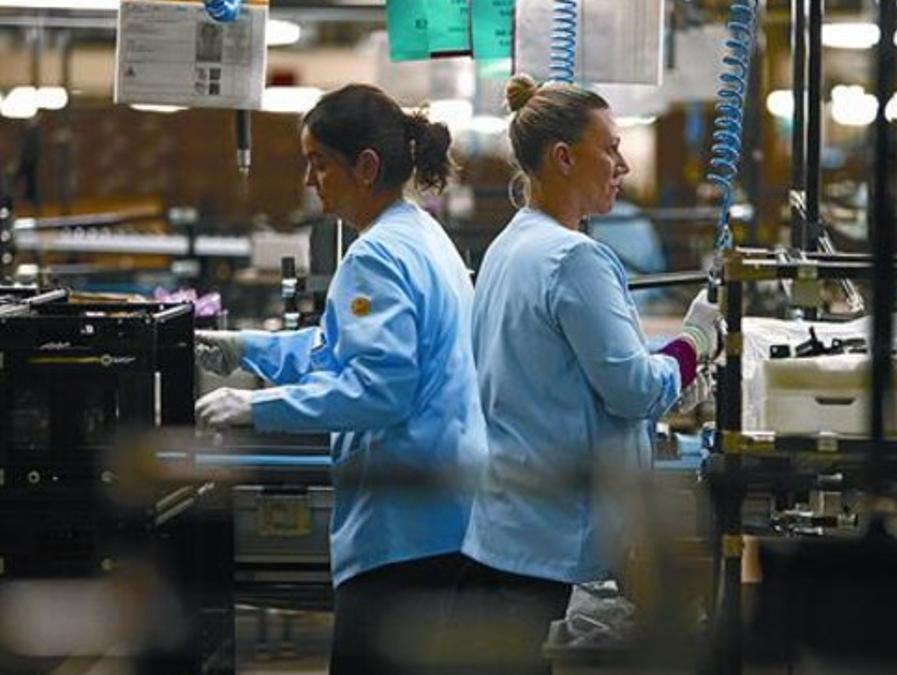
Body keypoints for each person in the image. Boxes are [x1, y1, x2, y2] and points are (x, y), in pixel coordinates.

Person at [192, 84, 486, 675]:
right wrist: (250, 349)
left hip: (404, 531)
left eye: (319, 163)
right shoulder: (423, 237)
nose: (308, 179)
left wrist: (257, 410)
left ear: (366, 167)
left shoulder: (374, 256)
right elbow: (340, 349)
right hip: (448, 513)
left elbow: (379, 390)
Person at [451, 74, 722, 674]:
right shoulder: (575, 258)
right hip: (553, 545)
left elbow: (564, 372)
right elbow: (634, 390)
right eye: (611, 148)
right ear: (564, 158)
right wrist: (695, 341)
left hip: (504, 531)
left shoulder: (508, 247)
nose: (623, 165)